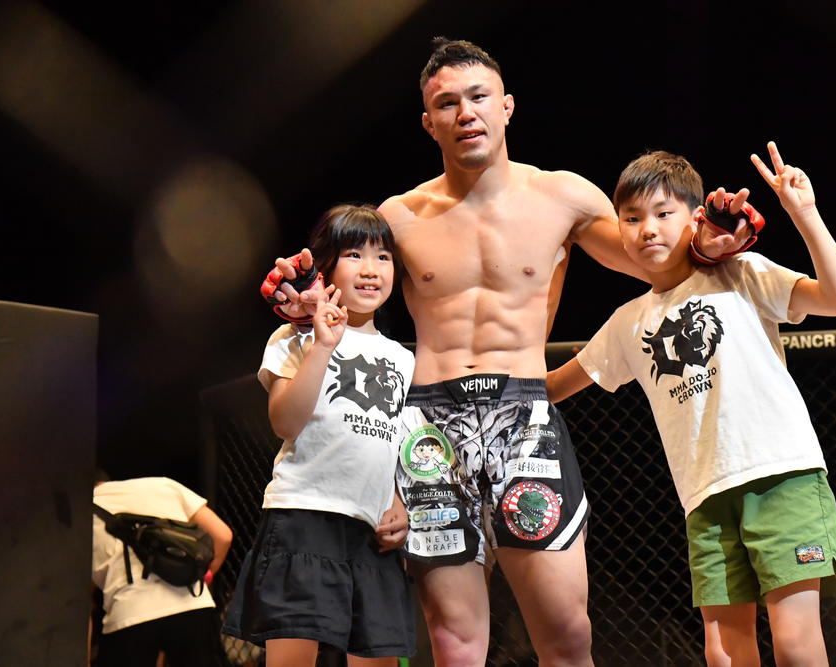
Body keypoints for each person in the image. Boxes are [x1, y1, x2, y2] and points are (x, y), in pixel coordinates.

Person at [262, 38, 758, 667]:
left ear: (507, 107)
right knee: (454, 642)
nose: (465, 112)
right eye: (448, 103)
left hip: (524, 420)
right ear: (429, 122)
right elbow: (351, 291)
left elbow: (652, 260)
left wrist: (712, 243)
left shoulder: (563, 196)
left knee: (568, 634)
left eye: (478, 96)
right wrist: (301, 297)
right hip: (429, 429)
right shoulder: (400, 215)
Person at [546, 143, 836, 666]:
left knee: (795, 642)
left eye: (663, 214)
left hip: (781, 475)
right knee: (723, 653)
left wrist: (804, 214)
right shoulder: (627, 322)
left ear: (695, 219)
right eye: (632, 218)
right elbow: (552, 386)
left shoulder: (739, 274)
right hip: (704, 498)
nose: (648, 229)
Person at [223, 205, 417, 667]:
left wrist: (399, 503)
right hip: (303, 516)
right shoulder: (293, 339)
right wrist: (323, 345)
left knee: (378, 658)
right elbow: (284, 422)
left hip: (371, 531)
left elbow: (397, 445)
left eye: (383, 256)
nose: (370, 269)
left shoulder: (405, 359)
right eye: (354, 254)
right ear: (324, 267)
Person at [92, 474, 234, 667]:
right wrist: (204, 576)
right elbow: (223, 536)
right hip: (193, 603)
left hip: (130, 612)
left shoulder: (80, 513)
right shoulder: (164, 485)